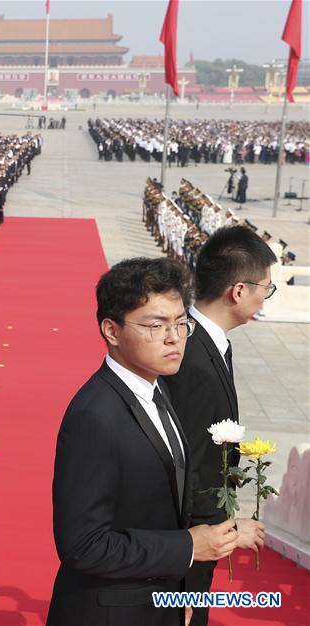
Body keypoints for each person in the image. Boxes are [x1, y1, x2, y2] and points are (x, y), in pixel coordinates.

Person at [47, 257, 239, 626]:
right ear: (111, 330)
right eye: (155, 325)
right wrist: (188, 547)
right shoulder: (95, 416)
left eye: (181, 324)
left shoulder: (157, 388)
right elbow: (83, 545)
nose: (173, 338)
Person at [163, 226, 274, 626]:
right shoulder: (191, 357)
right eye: (266, 288)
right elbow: (183, 464)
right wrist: (223, 529)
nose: (265, 297)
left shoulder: (208, 343)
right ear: (238, 291)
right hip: (189, 544)